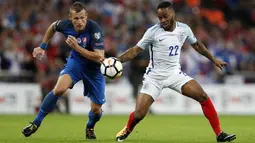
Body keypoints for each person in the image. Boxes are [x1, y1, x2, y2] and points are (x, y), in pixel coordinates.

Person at [115, 1, 236, 142]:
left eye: (165, 16)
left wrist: (213, 59)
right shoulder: (153, 31)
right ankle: (127, 129)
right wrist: (117, 60)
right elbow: (135, 51)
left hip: (174, 74)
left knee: (202, 96)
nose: (163, 20)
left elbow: (197, 45)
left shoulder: (184, 29)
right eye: (160, 17)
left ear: (173, 13)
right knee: (139, 114)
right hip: (154, 77)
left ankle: (219, 134)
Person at [22, 2, 105, 140]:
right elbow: (53, 26)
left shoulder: (95, 29)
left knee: (96, 110)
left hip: (94, 69)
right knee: (59, 89)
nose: (80, 21)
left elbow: (99, 57)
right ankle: (36, 123)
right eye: (76, 18)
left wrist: (77, 47)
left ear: (86, 16)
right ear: (70, 18)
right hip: (76, 63)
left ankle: (90, 127)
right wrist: (43, 46)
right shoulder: (64, 25)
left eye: (82, 18)